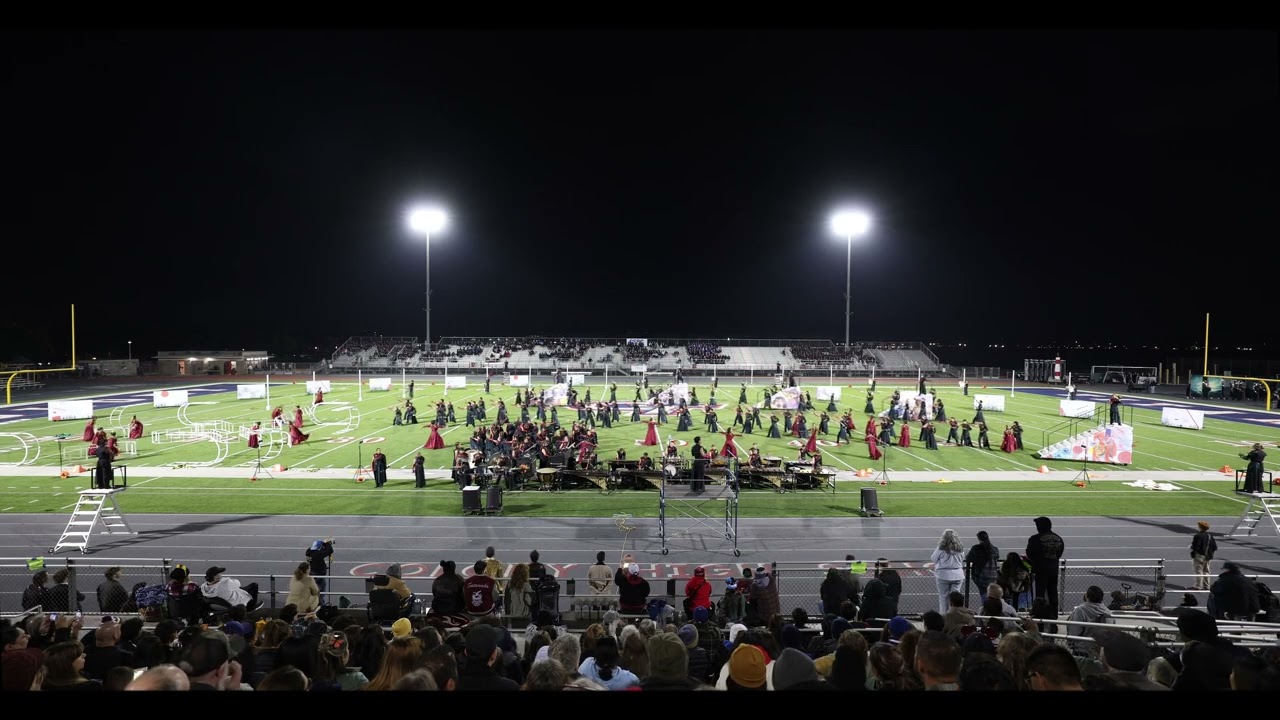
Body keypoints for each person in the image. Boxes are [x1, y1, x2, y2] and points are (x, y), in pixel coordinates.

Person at [1026, 516, 1065, 616]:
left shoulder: (1035, 538)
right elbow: (1059, 554)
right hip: (1053, 570)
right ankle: (1053, 615)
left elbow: (1030, 554)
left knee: (1039, 595)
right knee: (1053, 593)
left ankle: (1039, 615)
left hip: (1040, 570)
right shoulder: (1058, 538)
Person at [930, 530, 966, 613]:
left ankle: (944, 617)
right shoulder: (960, 548)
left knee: (943, 597)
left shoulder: (941, 548)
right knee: (956, 597)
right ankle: (956, 614)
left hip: (943, 575)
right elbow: (962, 559)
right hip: (958, 575)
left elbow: (934, 559)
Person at [1190, 521, 1217, 590]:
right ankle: (1207, 586)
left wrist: (1193, 551)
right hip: (1208, 556)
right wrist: (1210, 554)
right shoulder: (1210, 536)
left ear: (1200, 527)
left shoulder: (1198, 536)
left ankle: (1198, 586)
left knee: (1198, 571)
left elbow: (1195, 546)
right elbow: (1214, 547)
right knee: (1206, 571)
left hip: (1199, 556)